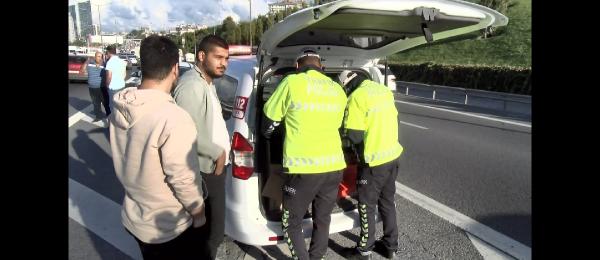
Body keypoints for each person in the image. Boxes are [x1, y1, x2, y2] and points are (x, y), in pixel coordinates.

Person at [109, 35, 206, 260]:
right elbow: (182, 178)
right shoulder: (173, 118)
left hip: (135, 217)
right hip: (169, 228)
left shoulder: (120, 105)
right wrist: (199, 214)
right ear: (175, 69)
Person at [261, 48, 348, 260]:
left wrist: (270, 135)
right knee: (323, 218)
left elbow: (269, 121)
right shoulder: (337, 89)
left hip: (303, 170)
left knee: (291, 223)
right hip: (334, 167)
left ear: (298, 66)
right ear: (322, 67)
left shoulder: (292, 83)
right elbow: (337, 124)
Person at [172, 34, 230, 260]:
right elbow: (185, 134)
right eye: (218, 57)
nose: (223, 63)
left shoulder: (206, 82)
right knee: (210, 233)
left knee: (213, 231)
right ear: (202, 56)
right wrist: (218, 153)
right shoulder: (191, 86)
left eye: (226, 58)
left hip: (212, 166)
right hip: (205, 168)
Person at [338, 70, 404, 260]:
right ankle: (391, 246)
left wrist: (347, 145)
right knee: (387, 202)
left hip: (373, 162)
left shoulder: (357, 97)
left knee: (366, 205)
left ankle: (364, 250)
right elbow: (396, 120)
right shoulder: (383, 91)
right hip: (392, 156)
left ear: (348, 85)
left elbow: (354, 135)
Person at [81, 51, 109, 121]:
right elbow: (82, 71)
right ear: (95, 57)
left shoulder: (105, 64)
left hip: (102, 88)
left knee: (106, 103)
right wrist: (86, 61)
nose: (100, 58)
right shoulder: (90, 64)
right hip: (92, 88)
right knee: (96, 103)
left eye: (101, 57)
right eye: (98, 56)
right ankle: (98, 117)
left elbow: (109, 74)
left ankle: (109, 116)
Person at [105, 44, 127, 110]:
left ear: (108, 52)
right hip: (122, 86)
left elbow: (109, 77)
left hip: (113, 88)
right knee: (120, 105)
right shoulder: (122, 61)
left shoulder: (110, 62)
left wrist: (107, 85)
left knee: (113, 107)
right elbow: (124, 75)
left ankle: (113, 120)